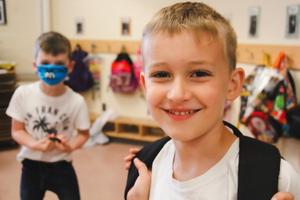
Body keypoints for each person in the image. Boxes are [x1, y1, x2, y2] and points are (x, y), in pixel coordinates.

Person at [124, 2, 300, 200]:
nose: (177, 94)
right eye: (161, 74)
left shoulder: (278, 178)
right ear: (145, 85)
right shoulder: (144, 170)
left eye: (199, 73)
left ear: (232, 85)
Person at [6, 31, 90, 200]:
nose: (51, 69)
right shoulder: (22, 94)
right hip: (31, 166)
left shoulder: (77, 101)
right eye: (45, 63)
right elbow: (17, 130)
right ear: (34, 65)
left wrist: (70, 146)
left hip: (62, 165)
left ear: (70, 66)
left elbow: (83, 134)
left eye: (59, 63)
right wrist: (35, 144)